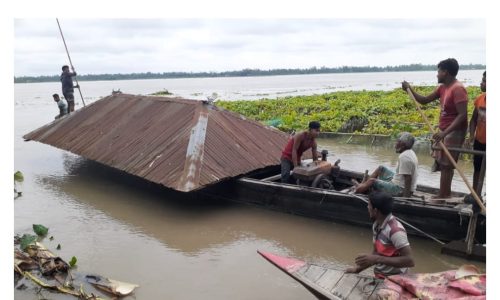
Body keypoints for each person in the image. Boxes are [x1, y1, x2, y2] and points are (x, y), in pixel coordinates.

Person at [402, 58, 468, 198]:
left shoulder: (458, 89)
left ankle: (443, 196)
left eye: (439, 71)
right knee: (443, 163)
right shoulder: (443, 87)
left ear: (446, 72)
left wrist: (444, 133)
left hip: (454, 130)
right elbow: (424, 100)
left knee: (447, 165)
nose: (437, 74)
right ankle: (444, 194)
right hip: (445, 129)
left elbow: (462, 115)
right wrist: (410, 90)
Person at [346, 191, 414, 279]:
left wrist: (376, 259)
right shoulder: (377, 225)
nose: (367, 207)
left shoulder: (395, 231)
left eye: (369, 205)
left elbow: (410, 261)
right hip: (380, 276)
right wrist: (357, 269)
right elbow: (376, 253)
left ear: (375, 210)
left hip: (397, 279)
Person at [352, 132, 418, 197]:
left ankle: (359, 189)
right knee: (381, 168)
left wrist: (405, 199)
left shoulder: (404, 157)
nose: (395, 144)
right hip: (398, 182)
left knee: (372, 181)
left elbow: (408, 178)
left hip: (400, 189)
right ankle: (363, 186)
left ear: (403, 145)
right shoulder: (410, 152)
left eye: (398, 142)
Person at [466, 71, 486, 192]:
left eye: (484, 80)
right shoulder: (480, 99)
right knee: (477, 168)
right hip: (479, 141)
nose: (481, 83)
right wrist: (471, 136)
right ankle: (475, 194)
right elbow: (473, 120)